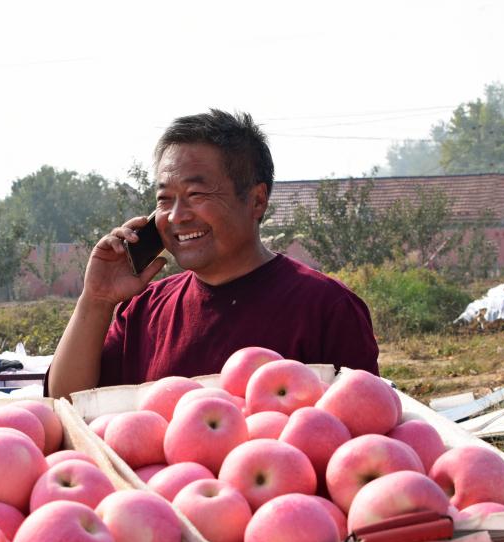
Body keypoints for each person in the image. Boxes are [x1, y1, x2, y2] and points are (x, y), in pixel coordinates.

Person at [48, 109, 379, 399]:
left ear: (257, 200)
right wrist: (96, 299)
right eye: (165, 199)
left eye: (196, 193)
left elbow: (364, 422)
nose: (177, 215)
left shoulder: (328, 308)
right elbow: (67, 404)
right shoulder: (143, 311)